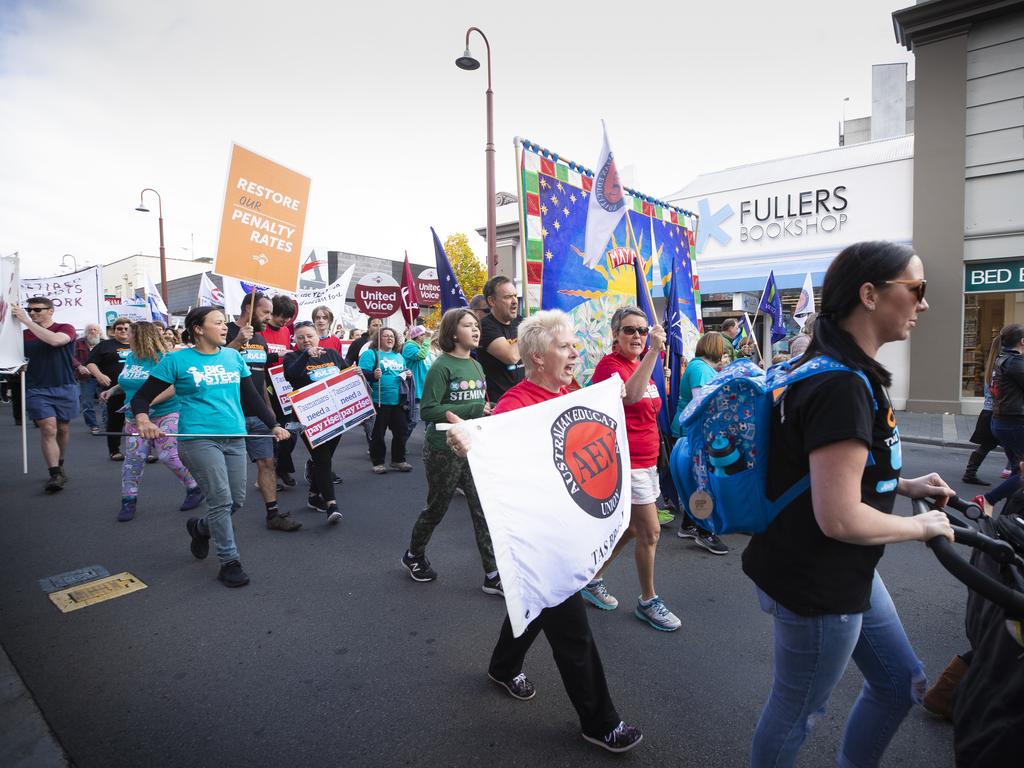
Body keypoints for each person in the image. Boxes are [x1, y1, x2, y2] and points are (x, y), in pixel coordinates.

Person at [741, 241, 955, 768]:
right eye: (917, 289)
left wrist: (901, 486)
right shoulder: (841, 383)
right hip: (821, 582)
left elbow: (823, 468)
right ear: (870, 294)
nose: (924, 304)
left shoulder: (832, 368)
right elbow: (838, 516)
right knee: (796, 712)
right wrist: (924, 527)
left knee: (900, 682)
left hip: (837, 570)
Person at [445, 310, 643, 754]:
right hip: (540, 538)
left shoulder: (569, 392)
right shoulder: (517, 404)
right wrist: (470, 442)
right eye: (565, 346)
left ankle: (502, 666)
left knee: (536, 602)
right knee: (570, 626)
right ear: (536, 358)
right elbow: (488, 442)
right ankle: (600, 721)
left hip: (564, 527)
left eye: (574, 345)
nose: (575, 352)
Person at [131, 306, 290, 588]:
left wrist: (273, 424)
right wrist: (143, 420)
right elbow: (141, 398)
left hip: (235, 437)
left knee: (237, 500)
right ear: (198, 329)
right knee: (221, 501)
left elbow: (251, 397)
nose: (225, 327)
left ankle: (200, 527)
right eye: (218, 323)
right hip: (198, 439)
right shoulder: (176, 361)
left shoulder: (233, 357)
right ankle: (230, 562)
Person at [582, 306, 680, 632]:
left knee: (632, 530)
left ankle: (591, 578)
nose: (637, 335)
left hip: (648, 460)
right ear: (615, 335)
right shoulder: (610, 366)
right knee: (650, 531)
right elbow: (632, 397)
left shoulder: (639, 364)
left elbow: (651, 408)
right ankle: (648, 600)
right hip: (628, 462)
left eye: (641, 330)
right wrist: (653, 351)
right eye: (629, 330)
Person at [401, 308, 500, 594]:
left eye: (476, 325)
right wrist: (473, 408)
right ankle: (413, 555)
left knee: (482, 508)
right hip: (442, 449)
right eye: (468, 325)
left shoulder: (477, 366)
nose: (476, 330)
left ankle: (492, 573)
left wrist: (486, 413)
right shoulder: (441, 366)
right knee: (437, 508)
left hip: (472, 446)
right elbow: (429, 410)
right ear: (453, 333)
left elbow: (481, 404)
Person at [102, 321, 202, 522]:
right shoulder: (131, 357)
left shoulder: (164, 359)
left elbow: (174, 387)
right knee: (133, 460)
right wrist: (112, 390)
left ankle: (194, 488)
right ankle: (128, 501)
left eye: (128, 333)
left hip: (167, 413)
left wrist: (145, 403)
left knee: (168, 455)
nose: (123, 336)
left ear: (139, 336)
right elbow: (128, 382)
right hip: (135, 419)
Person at [227, 293, 301, 532]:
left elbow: (259, 379)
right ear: (248, 309)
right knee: (229, 473)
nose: (269, 318)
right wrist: (238, 341)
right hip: (230, 414)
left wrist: (268, 411)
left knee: (267, 463)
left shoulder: (260, 337)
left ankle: (273, 515)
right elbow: (215, 362)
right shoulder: (225, 331)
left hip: (258, 413)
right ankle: (219, 519)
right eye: (265, 312)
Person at [671, 331, 731, 555]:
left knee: (697, 480)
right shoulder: (699, 368)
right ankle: (705, 531)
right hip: (694, 432)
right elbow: (702, 404)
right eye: (723, 348)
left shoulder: (702, 368)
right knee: (702, 481)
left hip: (694, 431)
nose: (725, 352)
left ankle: (689, 525)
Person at [12, 297, 78, 493]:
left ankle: (60, 462)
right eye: (29, 310)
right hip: (37, 388)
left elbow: (55, 341)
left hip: (64, 385)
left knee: (63, 428)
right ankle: (55, 473)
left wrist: (26, 321)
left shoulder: (65, 328)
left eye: (37, 310)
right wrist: (18, 365)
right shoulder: (22, 336)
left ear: (50, 311)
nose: (32, 313)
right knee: (48, 428)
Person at [283, 323, 347, 523]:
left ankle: (313, 496)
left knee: (325, 459)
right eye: (300, 337)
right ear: (295, 340)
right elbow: (290, 375)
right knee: (322, 459)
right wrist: (306, 356)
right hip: (307, 418)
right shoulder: (292, 357)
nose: (306, 340)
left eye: (309, 336)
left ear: (318, 336)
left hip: (335, 414)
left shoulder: (331, 354)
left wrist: (359, 375)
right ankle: (331, 505)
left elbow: (346, 373)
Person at [972, 323, 1024, 514]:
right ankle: (986, 500)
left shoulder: (1002, 359)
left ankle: (1008, 516)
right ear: (1022, 341)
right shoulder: (1015, 362)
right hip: (1014, 423)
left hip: (1002, 422)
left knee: (1018, 473)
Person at [359, 326, 412, 473]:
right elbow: (360, 373)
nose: (390, 338)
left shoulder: (399, 356)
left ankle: (398, 460)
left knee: (401, 432)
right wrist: (372, 375)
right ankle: (378, 462)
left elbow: (402, 372)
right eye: (385, 336)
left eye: (392, 336)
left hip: (397, 401)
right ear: (378, 339)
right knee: (378, 434)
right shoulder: (371, 354)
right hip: (378, 401)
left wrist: (407, 373)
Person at [262, 295, 301, 486]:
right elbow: (256, 358)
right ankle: (274, 472)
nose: (284, 321)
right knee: (274, 429)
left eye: (288, 317)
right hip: (265, 385)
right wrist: (277, 354)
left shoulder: (286, 331)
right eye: (280, 316)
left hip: (284, 385)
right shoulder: (261, 330)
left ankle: (281, 467)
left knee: (290, 431)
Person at [962, 335, 1009, 486]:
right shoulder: (1003, 365)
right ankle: (1012, 472)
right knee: (1012, 443)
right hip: (998, 412)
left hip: (989, 412)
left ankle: (970, 473)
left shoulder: (992, 365)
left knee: (988, 445)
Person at [87, 317, 132, 460]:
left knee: (140, 418)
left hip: (137, 389)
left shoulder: (138, 344)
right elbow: (90, 363)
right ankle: (114, 450)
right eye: (120, 328)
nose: (123, 331)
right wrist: (99, 375)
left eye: (126, 328)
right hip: (114, 389)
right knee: (115, 420)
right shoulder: (104, 345)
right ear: (113, 331)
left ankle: (144, 450)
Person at [476, 276, 524, 405]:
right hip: (500, 404)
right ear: (492, 301)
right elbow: (511, 356)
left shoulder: (521, 322)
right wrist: (529, 331)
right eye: (508, 297)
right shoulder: (485, 326)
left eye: (515, 296)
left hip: (524, 400)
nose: (515, 301)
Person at [73, 323, 104, 434]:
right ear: (86, 332)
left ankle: (107, 423)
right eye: (90, 330)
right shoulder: (78, 343)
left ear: (99, 332)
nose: (93, 331)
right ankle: (93, 425)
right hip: (86, 377)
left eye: (95, 329)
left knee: (105, 401)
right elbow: (72, 357)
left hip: (102, 376)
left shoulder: (105, 343)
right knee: (87, 402)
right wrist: (79, 366)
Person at [402, 324, 432, 435]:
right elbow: (420, 356)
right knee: (413, 420)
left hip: (426, 388)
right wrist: (428, 340)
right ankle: (401, 443)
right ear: (418, 336)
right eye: (424, 334)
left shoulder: (423, 346)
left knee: (431, 418)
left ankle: (430, 445)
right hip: (416, 389)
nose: (426, 336)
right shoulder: (409, 346)